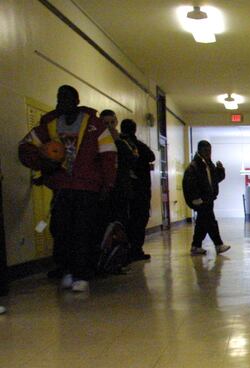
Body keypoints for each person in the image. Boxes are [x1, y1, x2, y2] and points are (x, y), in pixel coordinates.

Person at [18, 85, 117, 293]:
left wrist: (107, 184)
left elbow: (108, 155)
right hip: (62, 188)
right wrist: (43, 164)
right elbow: (26, 147)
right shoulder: (49, 125)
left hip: (87, 188)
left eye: (66, 98)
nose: (61, 102)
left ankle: (82, 274)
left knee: (83, 231)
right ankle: (67, 270)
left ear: (76, 100)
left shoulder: (94, 125)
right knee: (61, 230)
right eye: (59, 98)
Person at [183, 140, 230, 255]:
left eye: (209, 150)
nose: (208, 153)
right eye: (206, 150)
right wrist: (195, 198)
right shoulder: (194, 166)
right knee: (210, 221)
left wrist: (220, 170)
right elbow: (190, 183)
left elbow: (215, 180)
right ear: (199, 150)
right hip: (201, 200)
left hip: (208, 198)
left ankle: (196, 246)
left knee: (202, 223)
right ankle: (218, 245)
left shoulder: (208, 164)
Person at [121, 119, 155, 261]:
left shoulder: (120, 143)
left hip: (126, 189)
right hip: (139, 189)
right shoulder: (136, 145)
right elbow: (151, 156)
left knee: (128, 220)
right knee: (139, 220)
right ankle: (134, 250)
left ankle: (127, 250)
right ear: (134, 130)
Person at [99, 110, 137, 226]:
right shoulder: (97, 140)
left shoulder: (124, 141)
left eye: (112, 122)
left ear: (116, 122)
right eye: (106, 123)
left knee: (122, 221)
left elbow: (132, 159)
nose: (110, 126)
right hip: (103, 189)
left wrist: (117, 141)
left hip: (121, 189)